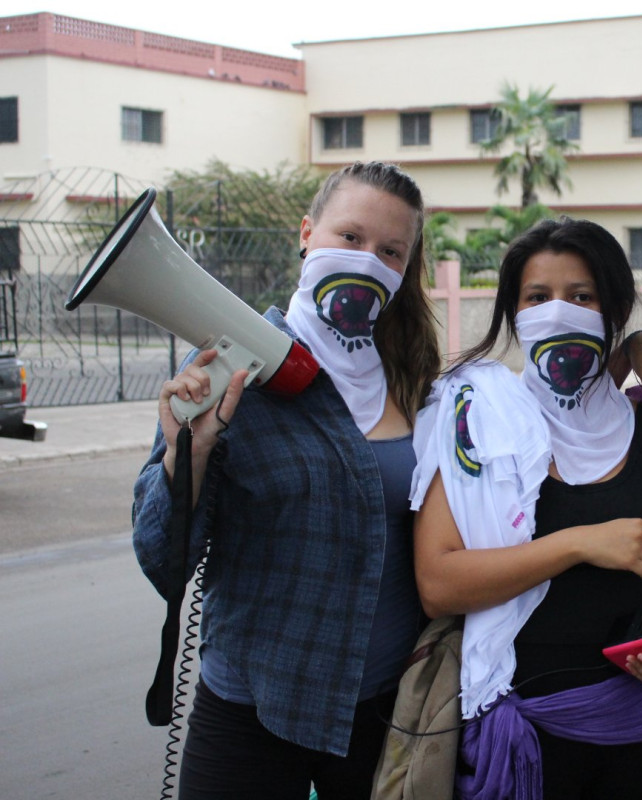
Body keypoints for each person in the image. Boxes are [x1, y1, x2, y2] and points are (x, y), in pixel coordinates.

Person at [132, 161, 441, 800]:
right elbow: (164, 560)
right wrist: (186, 452)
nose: (366, 262)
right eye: (349, 238)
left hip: (385, 711)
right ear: (307, 232)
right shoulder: (232, 362)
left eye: (390, 251)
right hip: (254, 710)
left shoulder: (412, 374)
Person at [411, 217, 642, 799]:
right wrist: (580, 542)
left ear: (615, 309)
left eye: (582, 296)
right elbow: (439, 583)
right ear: (513, 311)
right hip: (530, 743)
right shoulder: (475, 424)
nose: (558, 313)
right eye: (537, 297)